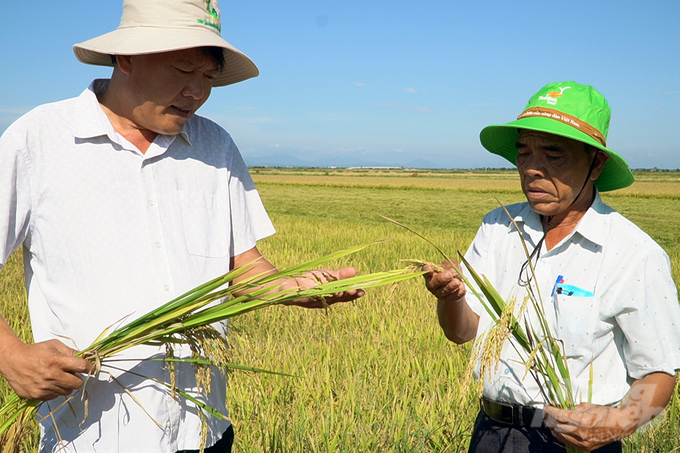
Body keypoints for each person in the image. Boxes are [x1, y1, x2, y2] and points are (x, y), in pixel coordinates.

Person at [0, 1, 362, 451]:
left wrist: (294, 288)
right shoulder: (39, 139)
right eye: (183, 70)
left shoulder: (214, 145)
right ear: (126, 57)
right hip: (91, 435)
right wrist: (11, 355)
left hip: (203, 428)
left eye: (208, 77)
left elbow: (243, 268)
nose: (196, 91)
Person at [423, 81, 680, 452]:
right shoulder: (497, 228)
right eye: (523, 153)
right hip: (492, 434)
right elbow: (462, 333)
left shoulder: (634, 253)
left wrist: (617, 424)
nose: (531, 169)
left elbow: (658, 372)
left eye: (553, 155)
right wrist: (450, 297)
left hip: (575, 442)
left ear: (596, 163)